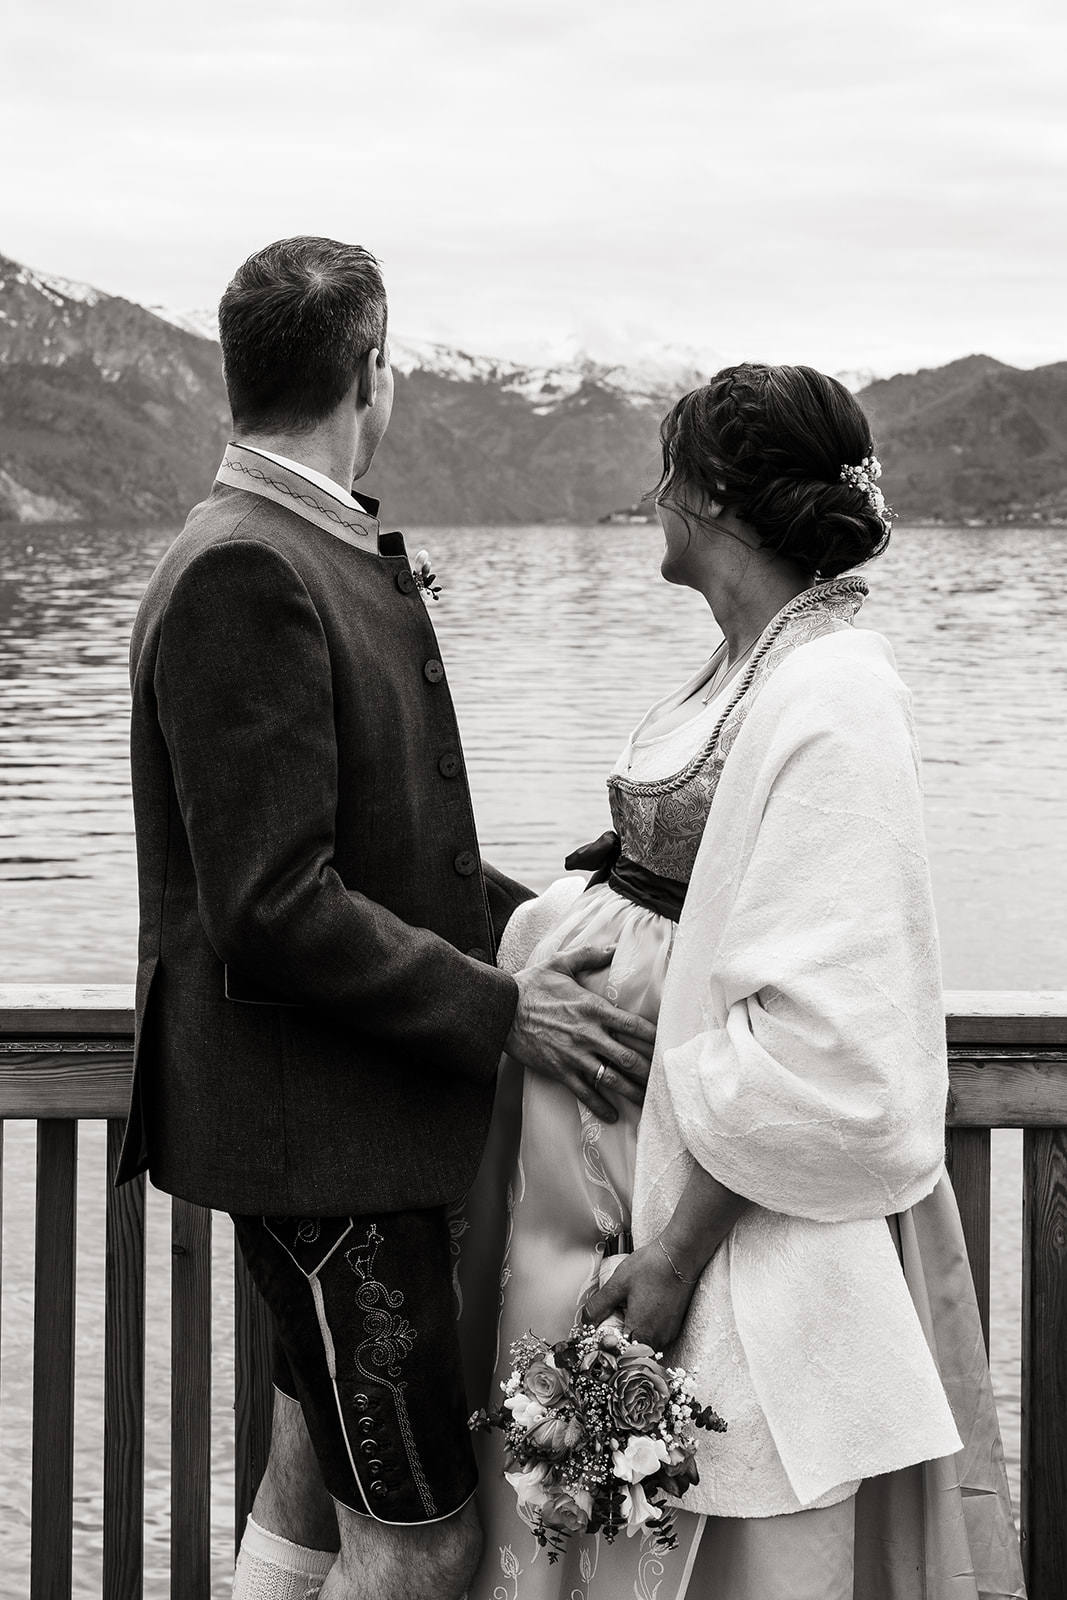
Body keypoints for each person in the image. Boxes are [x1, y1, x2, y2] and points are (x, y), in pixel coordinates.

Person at [115, 235, 656, 1600]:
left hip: (337, 1131)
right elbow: (272, 901)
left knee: (315, 1480)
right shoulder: (251, 568)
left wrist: (556, 927)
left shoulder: (297, 544)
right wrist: (500, 1007)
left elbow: (389, 857)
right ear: (371, 370)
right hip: (329, 1149)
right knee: (423, 1538)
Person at [461, 364, 1025, 1600]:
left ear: (712, 498)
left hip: (721, 1219)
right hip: (614, 1176)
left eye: (666, 471)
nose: (649, 496)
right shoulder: (750, 659)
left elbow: (822, 1040)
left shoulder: (834, 692)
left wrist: (668, 1258)